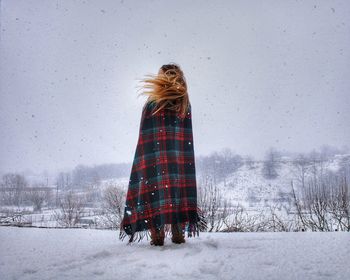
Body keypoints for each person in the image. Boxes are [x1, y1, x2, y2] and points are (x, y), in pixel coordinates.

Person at [119, 63, 202, 246]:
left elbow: (144, 133)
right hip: (179, 157)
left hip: (154, 156)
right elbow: (186, 134)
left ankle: (157, 237)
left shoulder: (152, 103)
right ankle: (178, 235)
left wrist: (144, 156)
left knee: (154, 190)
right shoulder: (184, 104)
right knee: (178, 189)